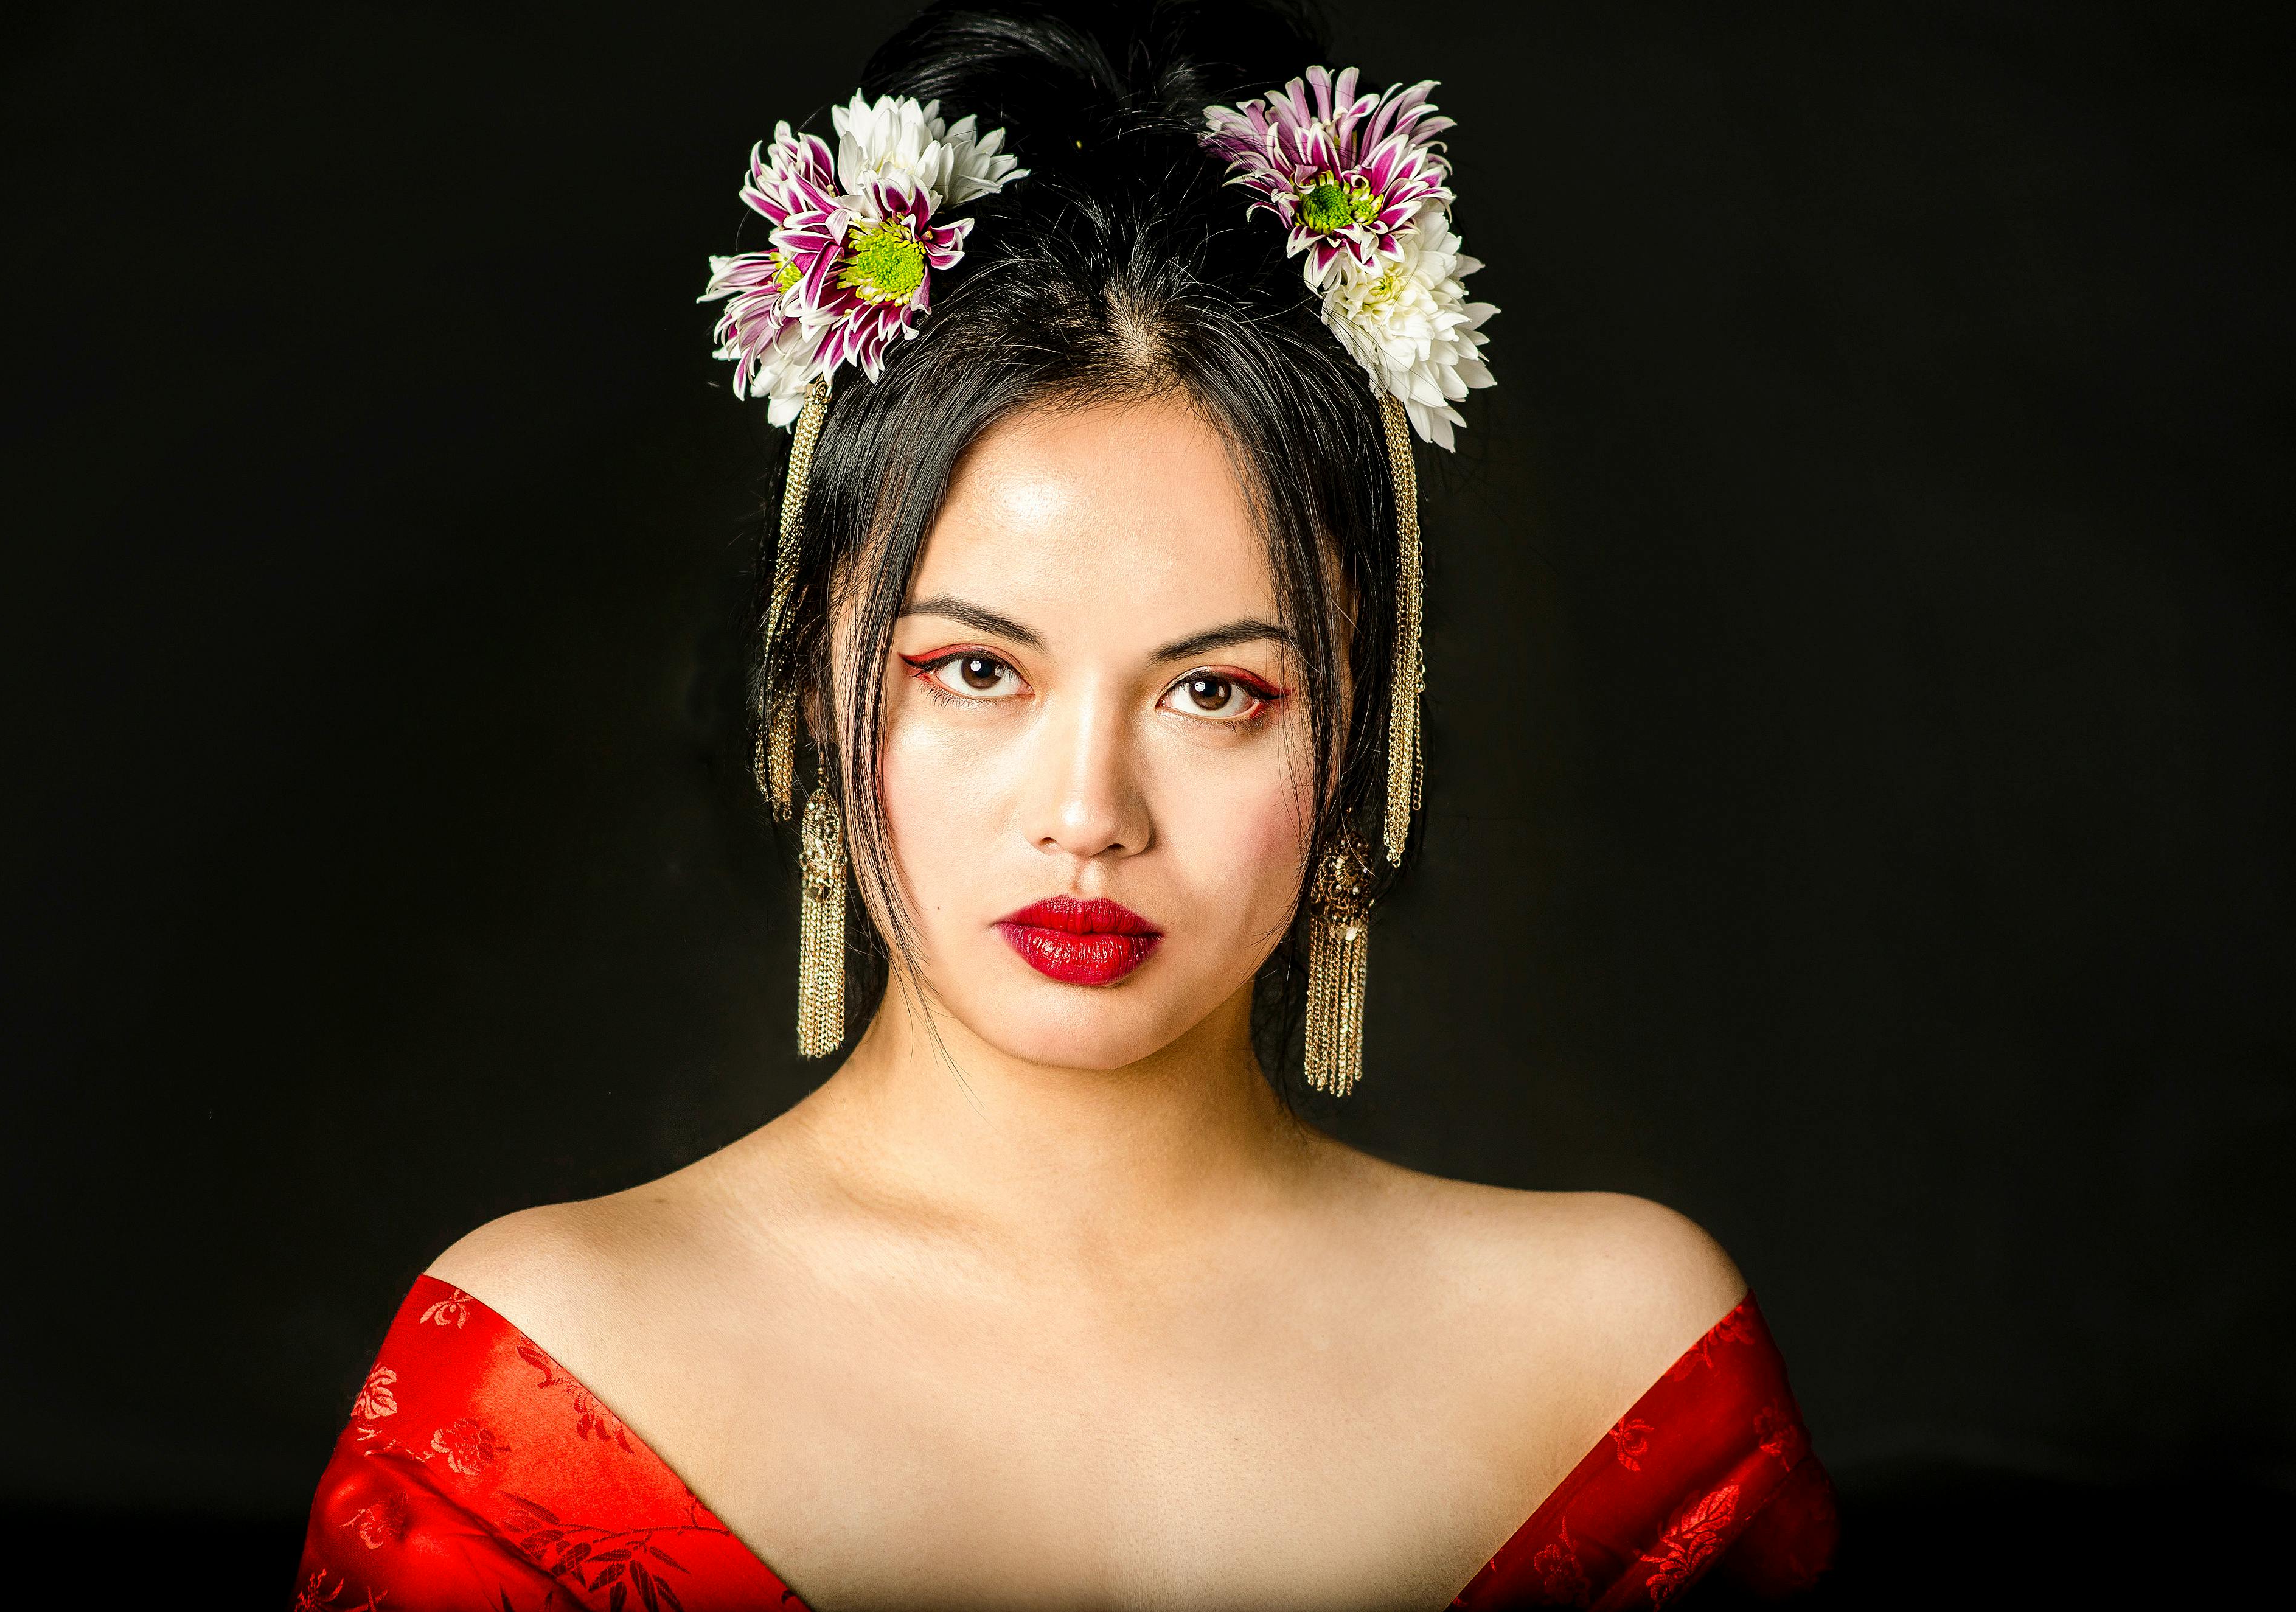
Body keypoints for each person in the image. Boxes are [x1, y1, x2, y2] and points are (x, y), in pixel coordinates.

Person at [293, 3, 1837, 1606]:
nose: (1090, 813)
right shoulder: (545, 1394)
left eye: (1219, 691)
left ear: (1365, 718)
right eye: (974, 671)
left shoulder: (1612, 1378)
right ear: (810, 676)